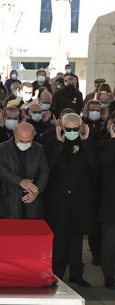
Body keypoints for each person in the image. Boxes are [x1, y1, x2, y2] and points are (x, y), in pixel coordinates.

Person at [43, 113, 95, 288]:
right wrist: (60, 142)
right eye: (68, 129)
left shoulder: (87, 143)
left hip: (80, 200)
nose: (72, 132)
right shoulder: (51, 142)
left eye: (75, 129)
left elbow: (94, 166)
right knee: (59, 238)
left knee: (76, 238)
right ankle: (56, 273)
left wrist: (86, 142)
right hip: (59, 200)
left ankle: (76, 273)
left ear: (81, 127)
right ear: (61, 127)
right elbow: (50, 166)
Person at [0, 122, 50, 219]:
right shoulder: (2, 148)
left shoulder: (38, 148)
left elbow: (44, 171)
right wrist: (20, 181)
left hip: (33, 202)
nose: (25, 144)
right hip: (11, 202)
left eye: (28, 141)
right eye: (21, 141)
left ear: (34, 135)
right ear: (14, 134)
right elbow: (1, 171)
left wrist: (37, 190)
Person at [97, 118, 115, 289]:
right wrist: (113, 139)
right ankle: (109, 276)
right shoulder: (104, 145)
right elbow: (105, 161)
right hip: (111, 204)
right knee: (109, 244)